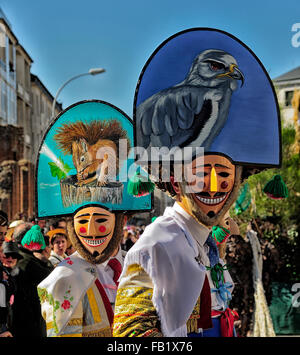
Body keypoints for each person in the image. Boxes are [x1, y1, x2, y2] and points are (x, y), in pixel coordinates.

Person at [112, 28, 281, 337]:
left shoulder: (203, 240)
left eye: (225, 174)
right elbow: (130, 335)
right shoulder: (155, 245)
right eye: (202, 172)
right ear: (175, 181)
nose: (214, 186)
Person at [36, 100, 150, 337]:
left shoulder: (133, 266)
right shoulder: (65, 277)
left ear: (120, 221)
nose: (91, 230)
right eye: (82, 221)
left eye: (100, 220)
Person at [9, 223, 53, 337]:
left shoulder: (13, 256)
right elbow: (52, 280)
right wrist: (46, 261)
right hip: (29, 322)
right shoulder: (27, 260)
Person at [0, 241, 23, 337]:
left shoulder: (20, 274)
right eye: (7, 255)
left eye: (14, 255)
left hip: (14, 322)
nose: (10, 258)